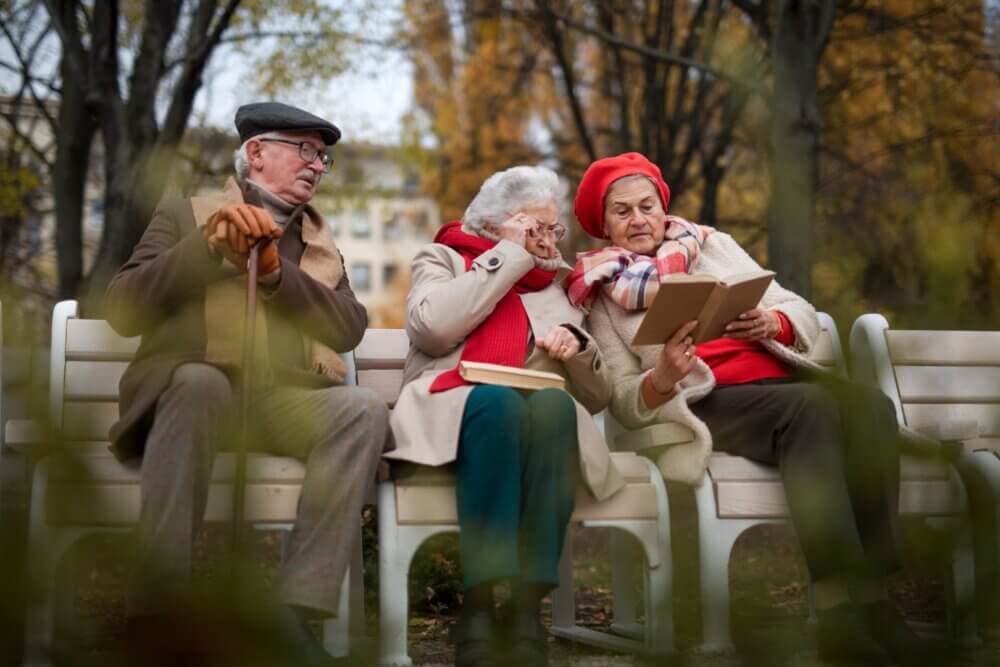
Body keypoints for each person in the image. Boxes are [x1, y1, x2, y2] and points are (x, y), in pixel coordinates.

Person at [566, 152, 943, 666]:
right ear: (603, 225)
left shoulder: (711, 245)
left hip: (779, 385)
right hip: (705, 401)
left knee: (869, 406)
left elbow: (798, 309)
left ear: (662, 205)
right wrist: (664, 375)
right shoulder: (601, 293)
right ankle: (836, 612)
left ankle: (876, 600)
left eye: (647, 206)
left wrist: (772, 323)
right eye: (623, 212)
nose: (638, 221)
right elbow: (625, 401)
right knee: (811, 408)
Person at [103, 102, 391, 666]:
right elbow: (123, 308)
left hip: (280, 405)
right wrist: (209, 249)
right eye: (303, 150)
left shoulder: (318, 244)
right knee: (199, 383)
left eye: (323, 156)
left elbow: (350, 326)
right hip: (193, 400)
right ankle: (160, 613)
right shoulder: (187, 214)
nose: (316, 165)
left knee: (360, 408)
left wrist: (280, 279)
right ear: (256, 153)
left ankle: (295, 615)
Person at [387, 165, 624, 667]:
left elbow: (598, 396)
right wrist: (508, 258)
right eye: (533, 229)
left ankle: (523, 609)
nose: (547, 241)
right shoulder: (445, 258)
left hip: (535, 435)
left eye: (552, 229)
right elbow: (432, 329)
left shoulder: (558, 288)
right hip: (452, 425)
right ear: (496, 227)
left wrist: (577, 348)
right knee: (495, 401)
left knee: (555, 404)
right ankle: (477, 604)